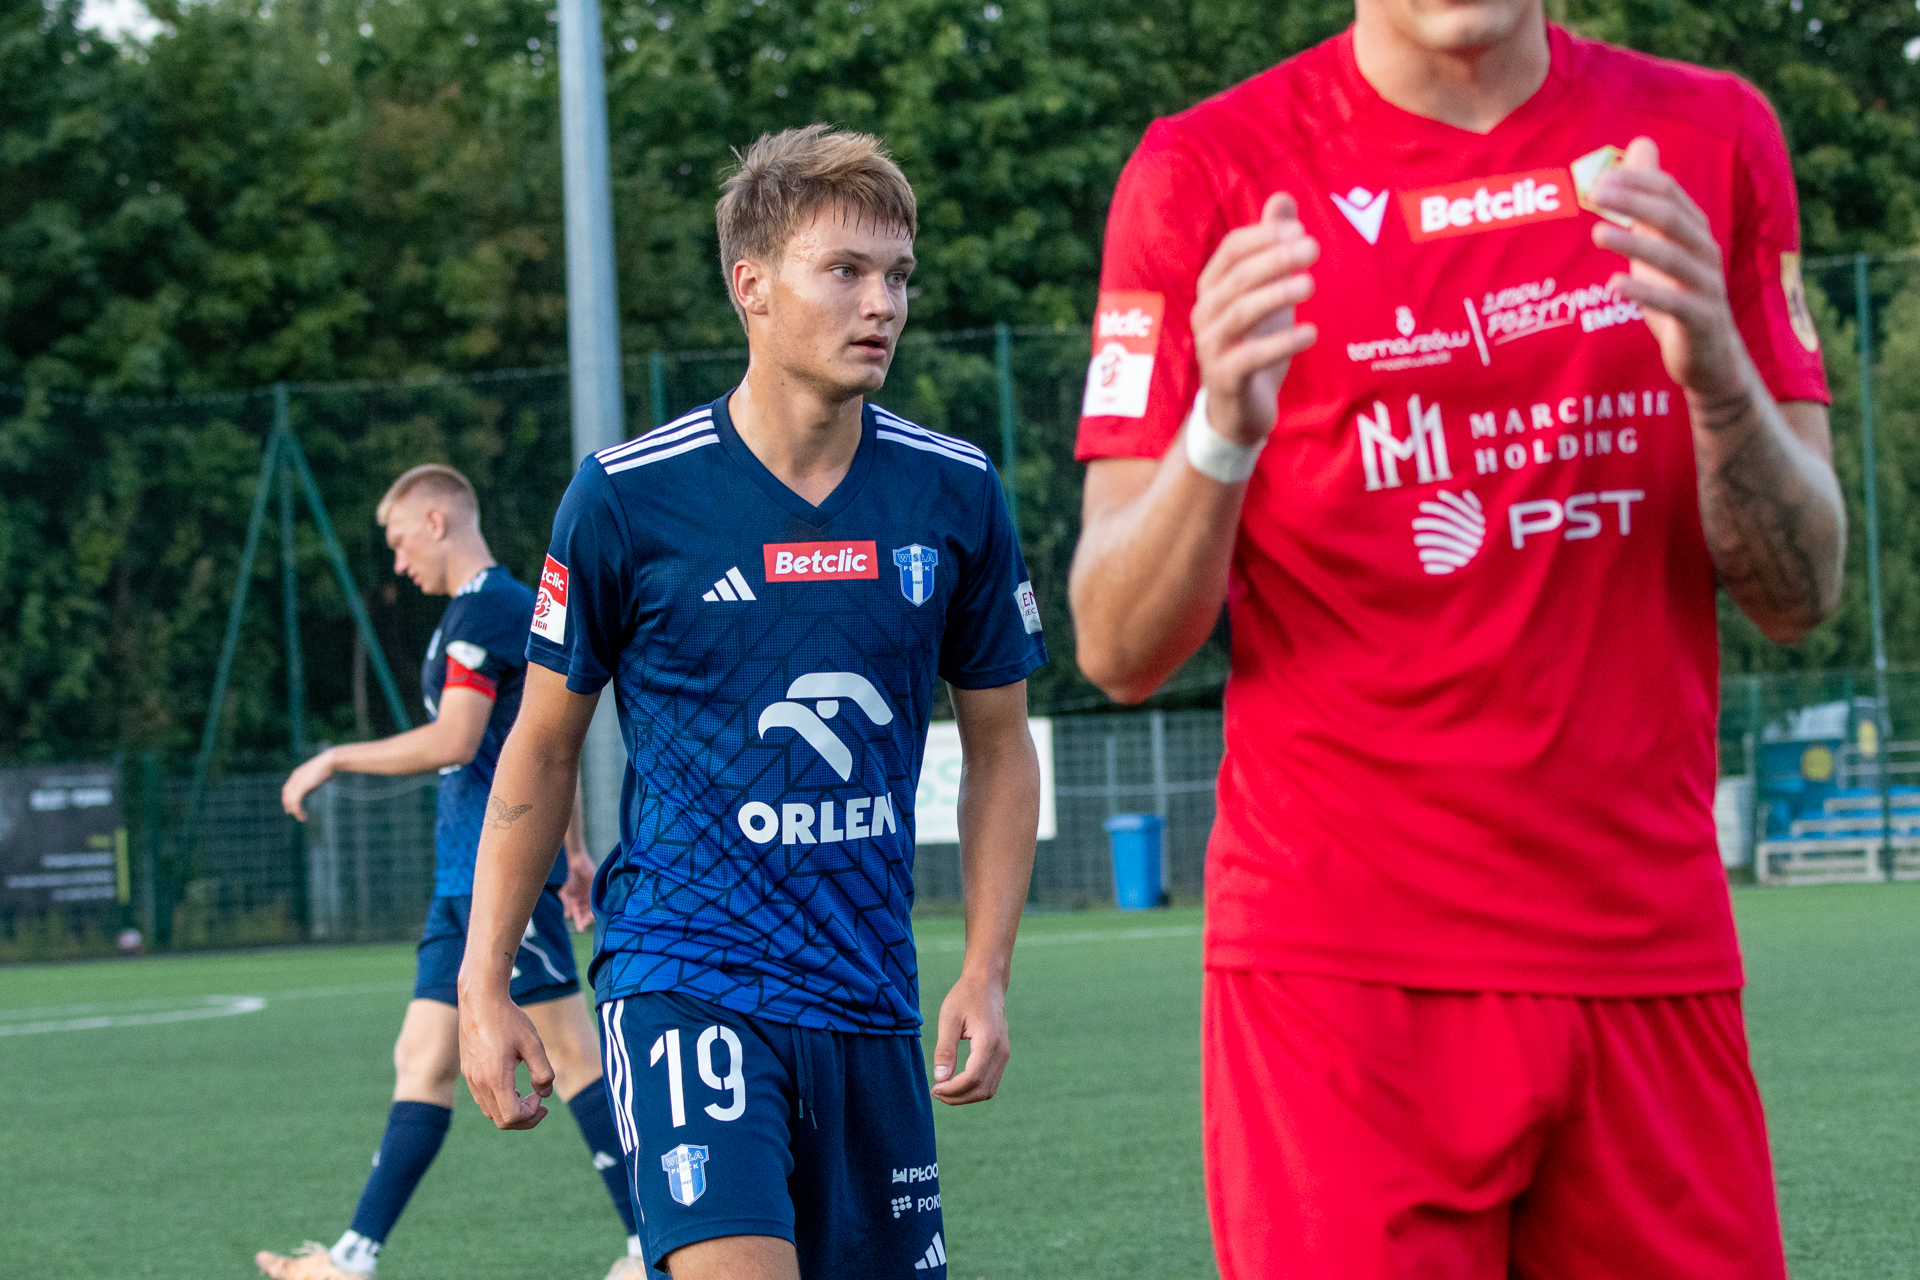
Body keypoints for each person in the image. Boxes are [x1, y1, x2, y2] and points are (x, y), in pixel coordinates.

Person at [1069, 0, 1844, 1275]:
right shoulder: (1206, 173)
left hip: (1647, 954)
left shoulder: (1708, 140)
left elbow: (1802, 589)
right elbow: (1115, 641)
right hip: (1340, 982)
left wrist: (1718, 377)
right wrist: (1220, 435)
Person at [455, 124, 1048, 1280]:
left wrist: (986, 967)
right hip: (685, 976)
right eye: (847, 270)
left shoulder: (955, 490)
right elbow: (540, 746)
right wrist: (484, 980)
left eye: (899, 276)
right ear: (752, 285)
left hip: (870, 994)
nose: (882, 304)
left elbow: (998, 745)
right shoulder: (629, 497)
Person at [256, 464, 645, 1280]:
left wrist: (334, 757)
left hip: (493, 880)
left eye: (400, 542)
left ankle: (657, 1247)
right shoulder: (466, 617)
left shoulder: (493, 610)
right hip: (459, 883)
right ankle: (351, 1259)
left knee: (572, 1055)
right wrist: (574, 852)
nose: (397, 563)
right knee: (423, 1060)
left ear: (437, 521)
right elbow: (537, 746)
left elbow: (459, 740)